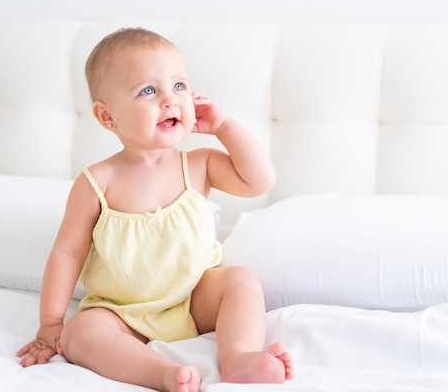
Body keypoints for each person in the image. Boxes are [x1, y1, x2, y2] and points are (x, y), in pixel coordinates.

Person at [16, 27, 293, 392]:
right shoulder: (97, 182)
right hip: (120, 312)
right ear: (106, 116)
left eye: (179, 86)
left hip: (193, 299)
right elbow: (67, 253)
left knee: (240, 280)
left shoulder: (199, 164)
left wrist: (223, 127)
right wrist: (51, 324)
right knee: (80, 332)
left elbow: (260, 180)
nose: (170, 100)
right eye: (148, 90)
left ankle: (239, 358)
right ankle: (161, 373)